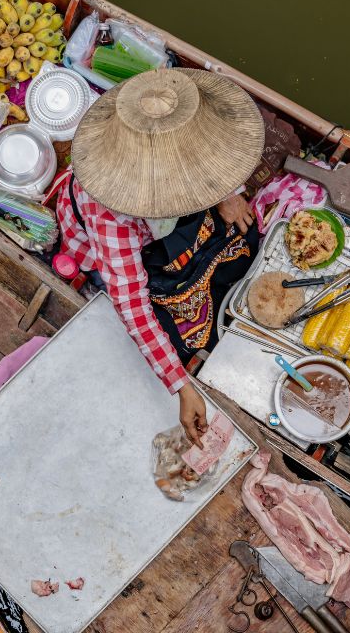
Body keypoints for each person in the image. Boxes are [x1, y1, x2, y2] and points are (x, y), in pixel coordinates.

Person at [57, 68, 266, 447]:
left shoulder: (165, 113)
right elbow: (133, 304)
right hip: (114, 255)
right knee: (172, 327)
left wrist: (226, 193)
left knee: (243, 235)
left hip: (169, 227)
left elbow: (209, 156)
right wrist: (181, 385)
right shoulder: (110, 213)